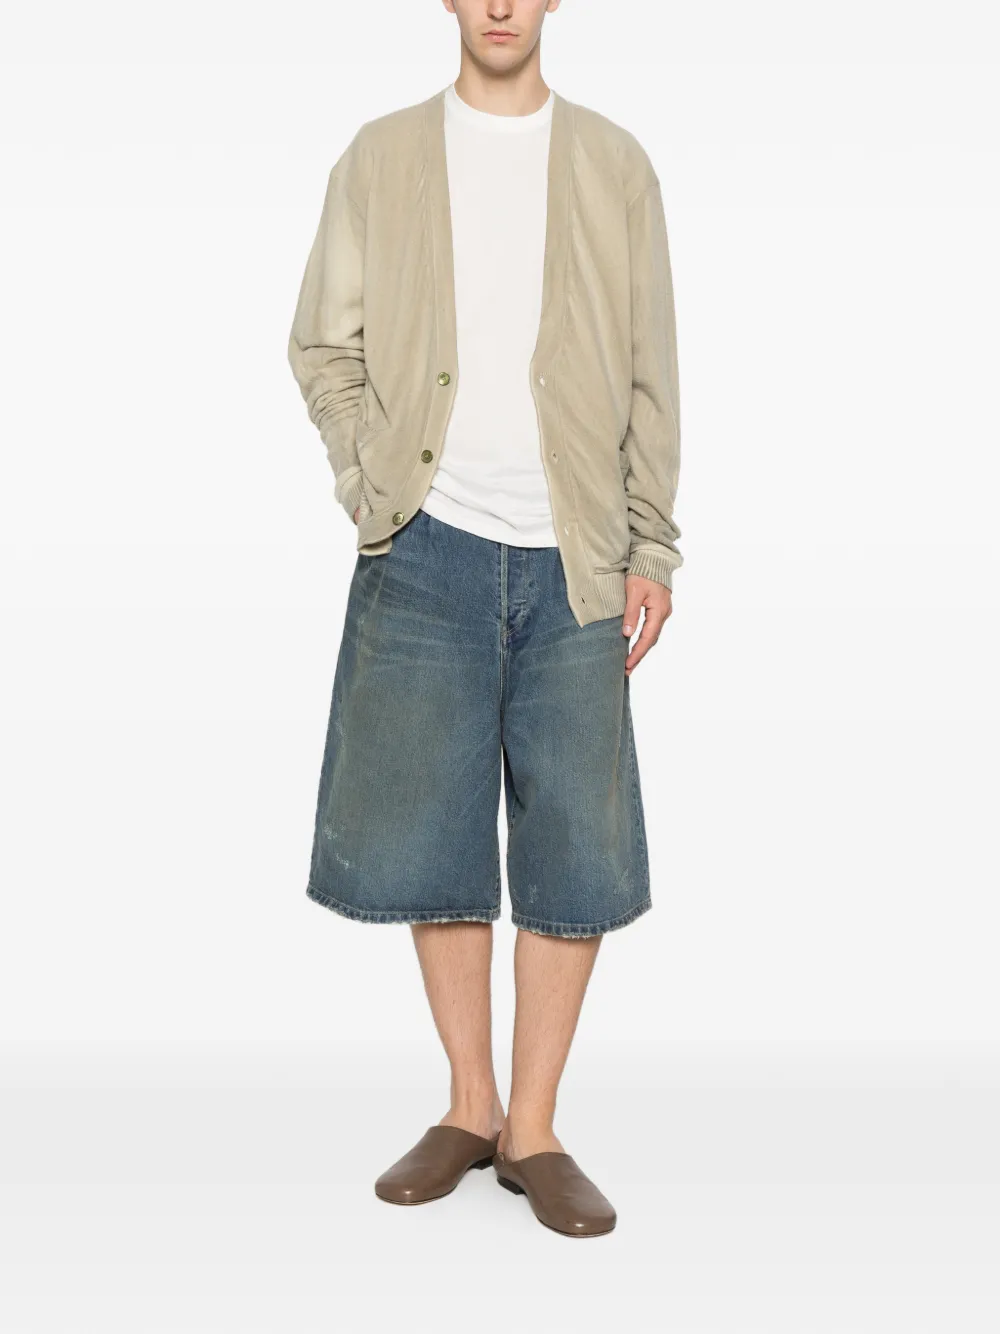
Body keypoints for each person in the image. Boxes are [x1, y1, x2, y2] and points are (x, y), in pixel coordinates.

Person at [286, 0, 682, 1238]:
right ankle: (470, 1103)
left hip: (577, 558)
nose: (501, 4)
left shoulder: (616, 164)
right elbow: (323, 345)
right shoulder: (380, 156)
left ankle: (535, 1128)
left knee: (574, 847)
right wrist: (373, 489)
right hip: (426, 546)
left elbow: (650, 374)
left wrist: (650, 543)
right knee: (433, 830)